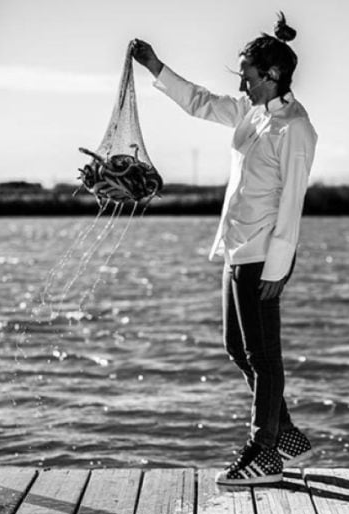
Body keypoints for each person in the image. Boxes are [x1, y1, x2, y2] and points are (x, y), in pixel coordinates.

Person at [131, 11, 317, 486]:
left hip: (264, 256)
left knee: (263, 357)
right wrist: (156, 66)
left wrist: (280, 267)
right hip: (236, 248)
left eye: (249, 78)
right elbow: (200, 102)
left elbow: (292, 203)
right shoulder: (251, 113)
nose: (243, 86)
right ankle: (286, 432)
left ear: (272, 76)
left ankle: (265, 452)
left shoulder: (295, 128)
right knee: (237, 347)